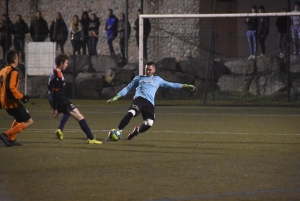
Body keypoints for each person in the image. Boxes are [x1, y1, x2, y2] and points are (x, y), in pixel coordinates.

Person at [106, 61, 196, 140]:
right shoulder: (138, 78)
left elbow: (171, 85)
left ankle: (137, 131)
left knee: (149, 123)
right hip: (139, 100)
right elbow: (128, 88)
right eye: (146, 69)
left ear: (154, 70)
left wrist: (186, 86)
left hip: (149, 103)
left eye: (149, 69)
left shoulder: (158, 80)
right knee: (131, 113)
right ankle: (119, 130)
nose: (147, 71)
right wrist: (117, 96)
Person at [47, 53, 102, 144]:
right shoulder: (59, 76)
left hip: (60, 99)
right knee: (80, 117)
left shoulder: (54, 71)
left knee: (72, 113)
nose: (67, 65)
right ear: (61, 63)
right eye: (66, 63)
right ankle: (91, 139)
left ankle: (60, 129)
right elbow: (56, 93)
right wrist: (55, 109)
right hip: (61, 101)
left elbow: (50, 87)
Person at [0, 50, 34, 147]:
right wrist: (22, 97)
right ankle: (6, 135)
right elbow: (11, 88)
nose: (18, 59)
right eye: (17, 58)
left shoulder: (2, 71)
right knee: (29, 121)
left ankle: (11, 139)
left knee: (19, 119)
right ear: (15, 59)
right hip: (11, 101)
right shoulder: (13, 71)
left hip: (4, 101)